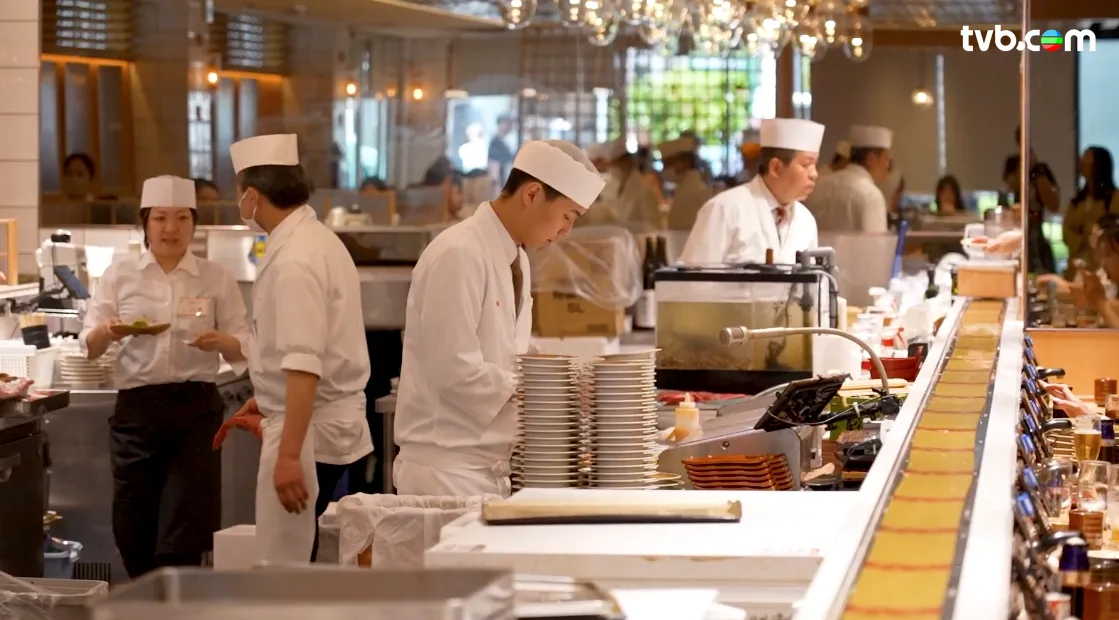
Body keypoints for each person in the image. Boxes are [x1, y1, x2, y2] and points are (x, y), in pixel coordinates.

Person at [393, 140, 605, 496]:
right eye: (568, 216)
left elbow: (507, 350)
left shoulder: (517, 258)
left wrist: (567, 377)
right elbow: (453, 367)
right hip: (445, 471)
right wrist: (541, 391)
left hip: (489, 467)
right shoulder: (459, 252)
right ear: (533, 193)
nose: (567, 231)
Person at [80, 175, 249, 578]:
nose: (170, 228)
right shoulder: (120, 275)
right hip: (137, 413)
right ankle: (145, 603)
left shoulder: (215, 277)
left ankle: (176, 609)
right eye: (159, 218)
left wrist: (221, 340)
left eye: (180, 218)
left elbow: (244, 343)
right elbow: (89, 343)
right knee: (133, 529)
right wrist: (107, 331)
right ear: (145, 223)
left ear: (193, 223)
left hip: (195, 413)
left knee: (183, 532)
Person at [221, 133, 373, 563]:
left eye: (240, 195)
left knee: (284, 567)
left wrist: (289, 455)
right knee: (302, 562)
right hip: (318, 424)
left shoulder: (295, 260)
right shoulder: (313, 239)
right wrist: (266, 397)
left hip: (309, 437)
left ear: (252, 195)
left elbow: (305, 365)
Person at [678, 117, 824, 265]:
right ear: (776, 167)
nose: (814, 174)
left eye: (815, 165)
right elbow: (694, 279)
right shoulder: (726, 208)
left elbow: (813, 283)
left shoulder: (806, 220)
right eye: (806, 164)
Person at [804, 125, 892, 233]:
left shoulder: (820, 184)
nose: (888, 164)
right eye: (886, 158)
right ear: (871, 159)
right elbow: (875, 246)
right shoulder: (871, 195)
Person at [1005, 125, 1061, 274]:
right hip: (1016, 227)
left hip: (1037, 228)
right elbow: (1013, 185)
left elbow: (1053, 203)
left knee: (1040, 267)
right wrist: (1024, 164)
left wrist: (1036, 172)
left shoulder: (1041, 169)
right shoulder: (1013, 164)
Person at [1062, 146, 1117, 278]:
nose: (1081, 161)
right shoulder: (1076, 202)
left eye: (1087, 157)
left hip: (1103, 271)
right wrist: (1086, 235)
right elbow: (1067, 230)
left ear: (1099, 164)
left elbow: (1112, 232)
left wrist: (1088, 231)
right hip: (1076, 268)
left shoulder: (1114, 199)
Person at [601, 139, 661, 232]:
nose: (612, 169)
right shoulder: (614, 186)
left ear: (627, 162)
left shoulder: (643, 189)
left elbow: (653, 225)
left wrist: (625, 226)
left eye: (615, 164)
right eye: (611, 165)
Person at [661, 135, 712, 231]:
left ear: (683, 162)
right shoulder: (686, 188)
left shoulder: (691, 191)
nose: (665, 170)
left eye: (667, 164)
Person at [488, 113, 516, 185]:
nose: (510, 127)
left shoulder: (507, 142)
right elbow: (493, 163)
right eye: (507, 124)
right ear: (500, 124)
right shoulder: (495, 142)